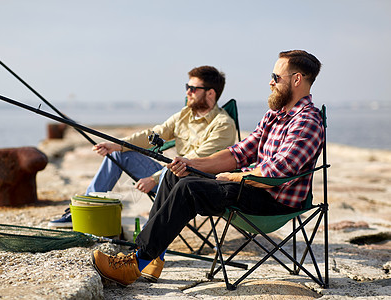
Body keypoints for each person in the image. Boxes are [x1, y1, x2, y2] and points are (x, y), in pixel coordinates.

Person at [91, 50, 324, 287]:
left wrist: (233, 177)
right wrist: (191, 164)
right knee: (175, 175)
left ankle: (134, 263)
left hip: (273, 200)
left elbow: (277, 173)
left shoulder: (307, 121)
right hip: (250, 186)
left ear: (296, 80)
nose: (270, 82)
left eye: (276, 77)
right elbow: (239, 153)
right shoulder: (275, 115)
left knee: (189, 188)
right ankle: (150, 257)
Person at [48, 65, 237, 230]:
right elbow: (154, 134)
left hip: (196, 184)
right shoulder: (184, 115)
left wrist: (154, 179)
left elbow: (194, 162)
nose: (187, 92)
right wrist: (117, 145)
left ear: (210, 93)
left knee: (179, 170)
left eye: (193, 89)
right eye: (187, 87)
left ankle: (146, 242)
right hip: (171, 175)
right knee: (119, 155)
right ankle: (86, 208)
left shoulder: (223, 124)